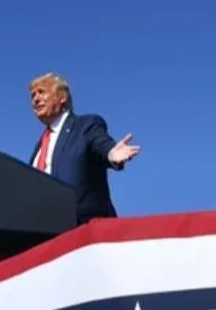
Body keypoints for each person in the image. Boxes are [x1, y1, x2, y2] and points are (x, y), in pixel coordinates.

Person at [27, 72, 140, 224]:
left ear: (62, 97)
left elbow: (101, 143)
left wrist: (112, 153)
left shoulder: (85, 126)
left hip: (85, 232)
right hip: (46, 234)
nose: (35, 98)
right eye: (33, 95)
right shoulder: (39, 147)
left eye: (42, 92)